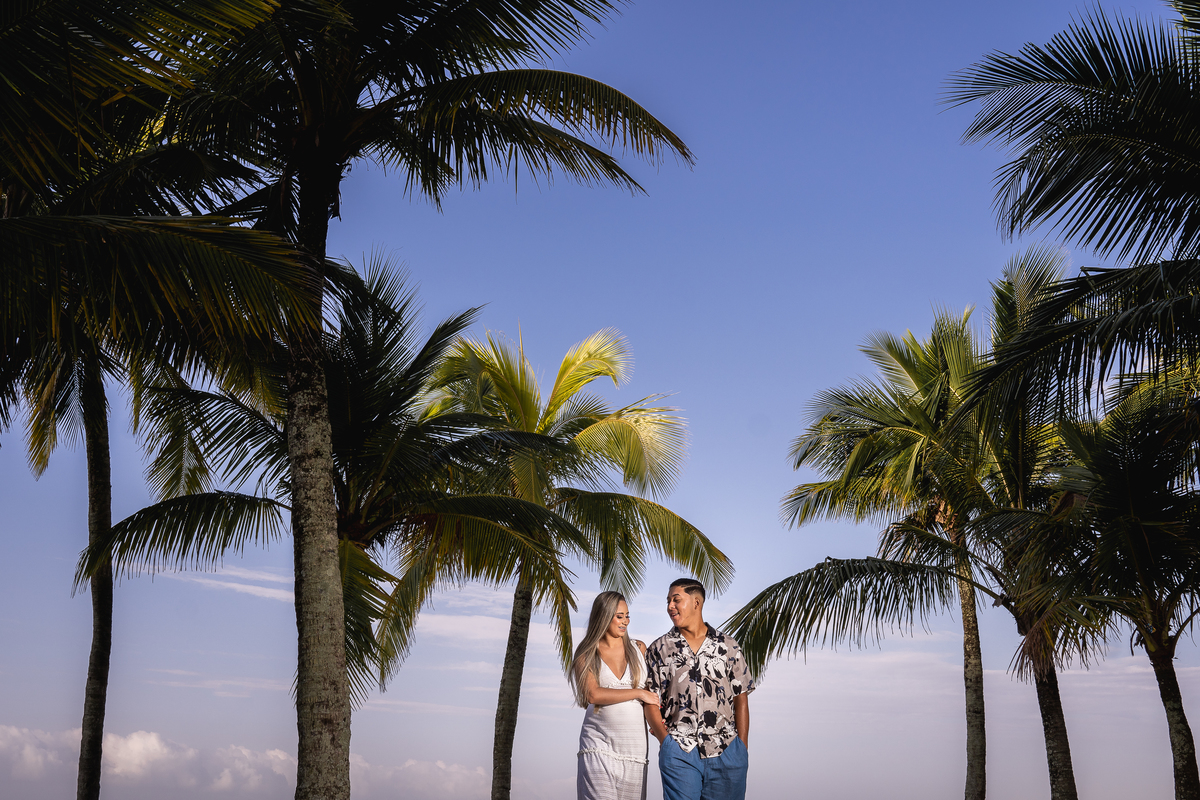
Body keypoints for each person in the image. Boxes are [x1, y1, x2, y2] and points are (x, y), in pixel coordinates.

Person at [644, 579, 755, 800]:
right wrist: (666, 742)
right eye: (668, 601)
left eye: (676, 600)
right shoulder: (659, 649)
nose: (670, 606)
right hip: (679, 750)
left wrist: (741, 748)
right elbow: (650, 699)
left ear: (697, 602)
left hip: (727, 750)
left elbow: (741, 699)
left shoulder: (728, 646)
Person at [570, 591, 662, 800]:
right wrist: (639, 693)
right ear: (604, 616)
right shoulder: (586, 653)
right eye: (619, 616)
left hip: (635, 750)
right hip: (598, 746)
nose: (625, 622)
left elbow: (652, 696)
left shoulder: (638, 648)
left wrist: (660, 726)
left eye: (627, 616)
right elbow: (593, 694)